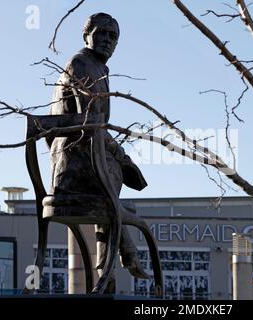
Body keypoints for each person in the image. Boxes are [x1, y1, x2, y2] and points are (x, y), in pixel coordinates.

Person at [49, 12, 150, 291]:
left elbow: (97, 127)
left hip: (90, 160)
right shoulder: (80, 64)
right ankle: (117, 265)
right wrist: (124, 158)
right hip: (75, 165)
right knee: (114, 196)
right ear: (86, 35)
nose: (107, 40)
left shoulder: (99, 69)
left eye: (112, 36)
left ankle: (111, 272)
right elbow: (92, 124)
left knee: (116, 197)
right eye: (101, 33)